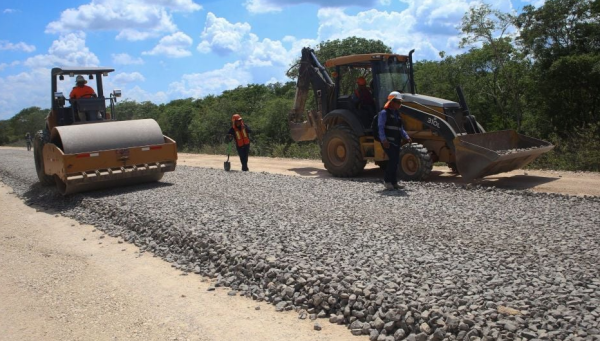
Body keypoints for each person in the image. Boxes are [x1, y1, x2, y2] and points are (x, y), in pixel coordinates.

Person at [378, 91, 411, 190]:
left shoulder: (397, 114)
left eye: (400, 102)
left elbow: (400, 129)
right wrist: (384, 140)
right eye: (398, 102)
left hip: (396, 142)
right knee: (392, 161)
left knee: (395, 162)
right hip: (388, 142)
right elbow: (380, 127)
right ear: (392, 102)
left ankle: (394, 182)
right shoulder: (384, 113)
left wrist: (406, 136)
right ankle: (387, 181)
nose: (400, 104)